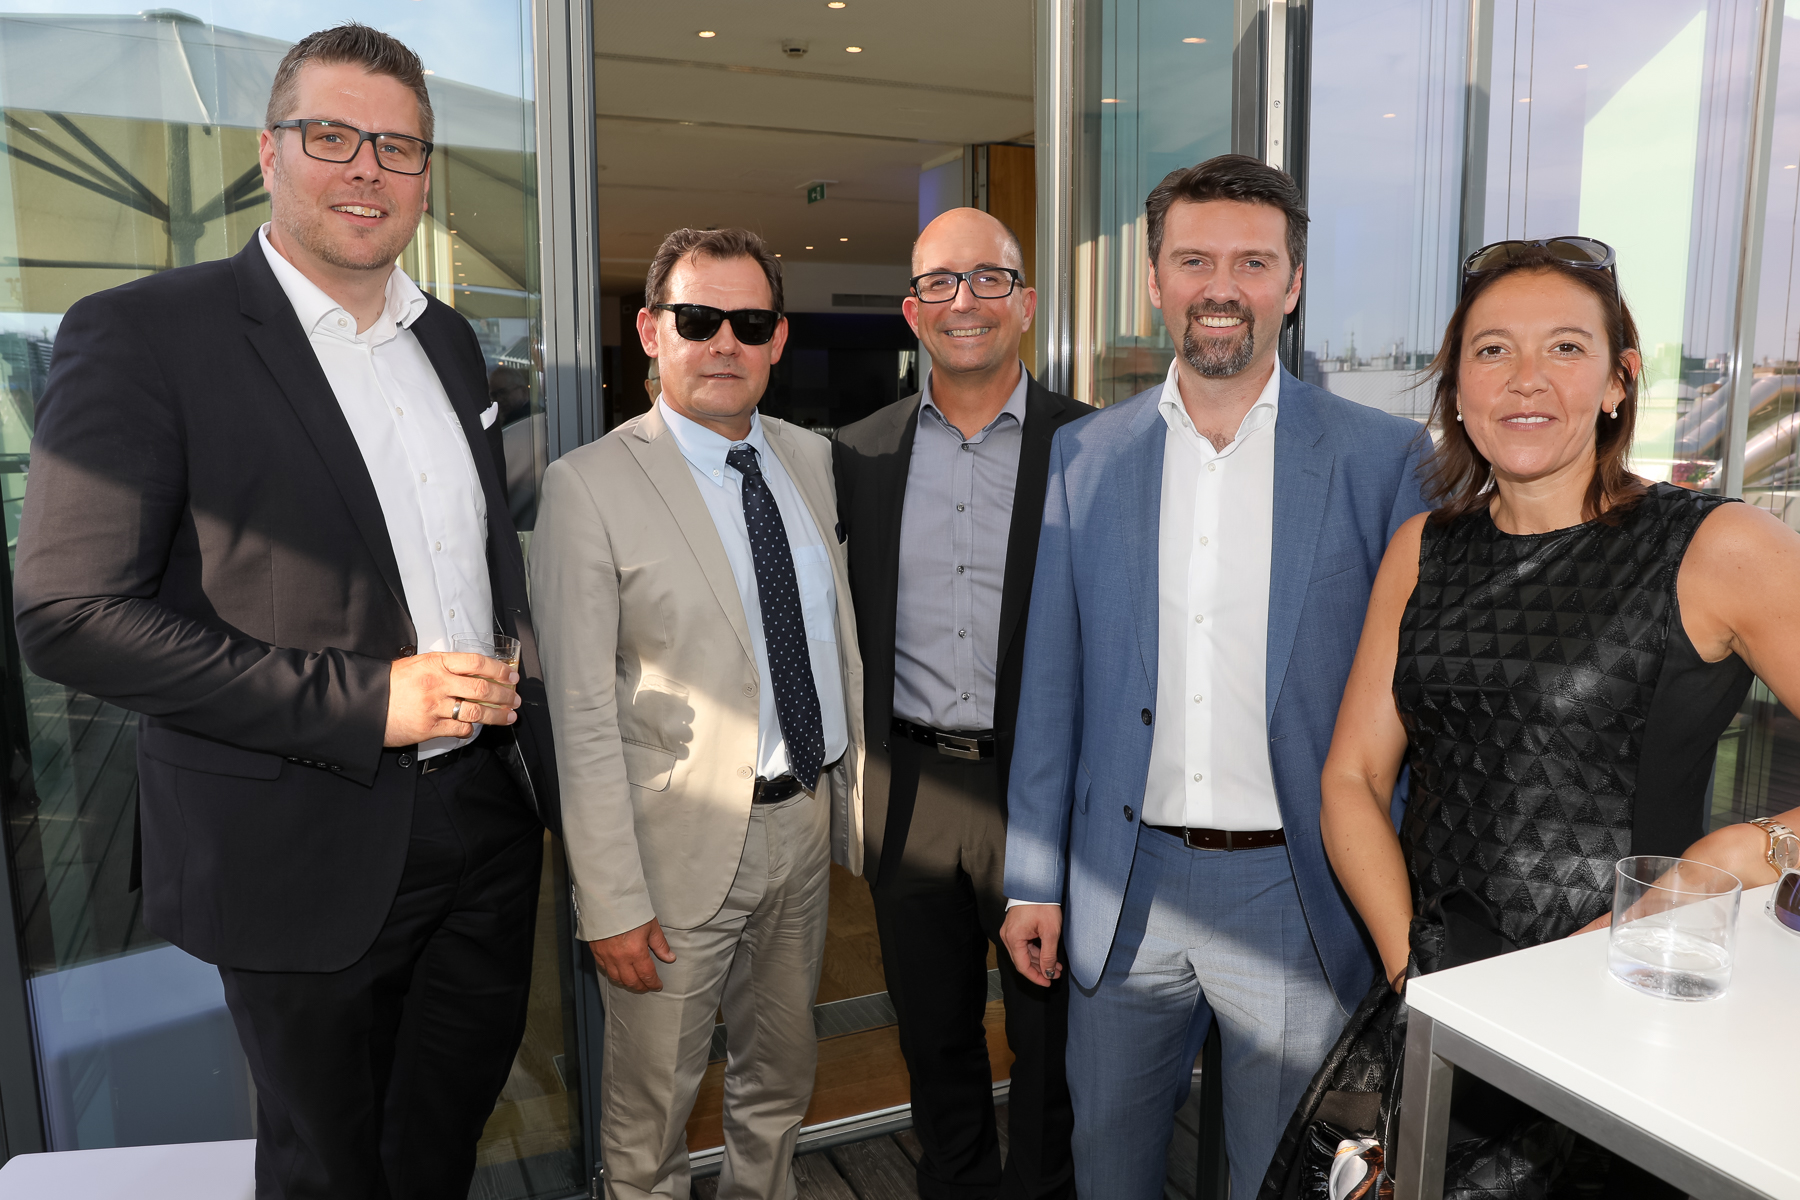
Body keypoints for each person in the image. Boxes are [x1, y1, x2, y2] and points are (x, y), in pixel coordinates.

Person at [12, 24, 556, 1200]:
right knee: (325, 1169)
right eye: (331, 135)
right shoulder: (148, 333)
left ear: (425, 176)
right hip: (300, 838)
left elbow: (472, 563)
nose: (367, 167)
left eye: (397, 147)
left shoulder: (448, 340)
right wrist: (367, 703)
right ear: (269, 152)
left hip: (486, 818)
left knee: (442, 1145)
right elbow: (68, 612)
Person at [1311, 235, 1800, 1194]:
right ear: (1457, 388)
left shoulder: (1717, 545)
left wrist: (1740, 852)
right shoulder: (1423, 548)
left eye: (1566, 348)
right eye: (1492, 349)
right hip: (1441, 997)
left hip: (1618, 1013)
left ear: (1619, 381)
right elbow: (1353, 778)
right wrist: (1419, 976)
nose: (1525, 378)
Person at [998, 154, 1430, 1199]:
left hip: (1298, 891)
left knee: (1279, 1178)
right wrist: (1031, 877)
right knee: (1107, 1168)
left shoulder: (1384, 459)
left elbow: (1412, 702)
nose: (1221, 287)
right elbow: (1052, 683)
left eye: (1252, 262)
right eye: (1194, 260)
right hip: (1122, 889)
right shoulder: (1084, 456)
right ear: (1155, 281)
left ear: (1292, 283)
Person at [530, 226, 865, 1200]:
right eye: (697, 319)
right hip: (667, 858)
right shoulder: (587, 486)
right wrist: (611, 902)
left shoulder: (812, 460)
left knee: (780, 1084)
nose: (724, 342)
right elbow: (578, 716)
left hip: (802, 828)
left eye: (749, 323)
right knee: (649, 1124)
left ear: (778, 339)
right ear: (651, 331)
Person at [834, 208, 1088, 1200]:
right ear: (913, 311)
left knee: (1051, 1040)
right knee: (933, 1035)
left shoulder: (1095, 445)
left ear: (1026, 303)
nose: (965, 301)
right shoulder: (857, 455)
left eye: (990, 278)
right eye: (940, 282)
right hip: (912, 792)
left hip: (1047, 788)